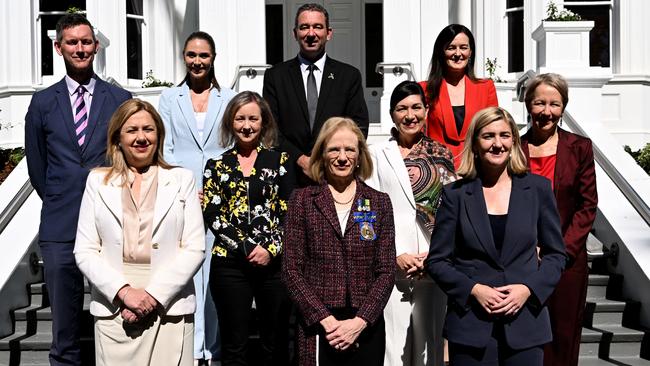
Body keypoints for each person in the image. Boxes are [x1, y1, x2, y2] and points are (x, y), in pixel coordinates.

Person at [24, 13, 131, 366]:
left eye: (86, 42)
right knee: (65, 331)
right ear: (58, 47)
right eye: (72, 42)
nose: (80, 48)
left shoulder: (120, 98)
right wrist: (60, 196)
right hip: (61, 224)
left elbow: (129, 157)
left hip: (112, 224)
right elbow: (37, 167)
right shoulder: (42, 103)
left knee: (118, 321)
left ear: (96, 46)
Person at [425, 107, 567, 365]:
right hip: (471, 326)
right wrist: (473, 290)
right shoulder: (455, 195)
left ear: (514, 141)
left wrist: (528, 289)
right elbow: (437, 261)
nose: (497, 144)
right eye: (488, 136)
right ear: (475, 144)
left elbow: (556, 255)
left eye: (504, 135)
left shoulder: (538, 190)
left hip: (526, 325)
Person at [74, 99, 205, 365]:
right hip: (115, 308)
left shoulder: (182, 180)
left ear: (159, 135)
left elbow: (195, 248)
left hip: (170, 305)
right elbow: (85, 250)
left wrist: (154, 295)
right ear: (117, 138)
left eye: (149, 129)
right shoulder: (97, 182)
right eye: (132, 130)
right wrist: (124, 292)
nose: (141, 137)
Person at [282, 117, 395, 366]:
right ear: (322, 154)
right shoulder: (301, 201)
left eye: (350, 150)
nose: (342, 157)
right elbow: (291, 270)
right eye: (334, 149)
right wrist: (327, 321)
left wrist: (359, 322)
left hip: (365, 325)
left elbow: (386, 271)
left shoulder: (379, 202)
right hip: (319, 325)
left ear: (360, 155)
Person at [158, 30, 236, 364]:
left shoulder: (230, 98)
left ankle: (213, 349)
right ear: (184, 58)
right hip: (181, 196)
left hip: (222, 198)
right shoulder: (169, 98)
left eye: (203, 55)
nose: (197, 61)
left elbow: (234, 146)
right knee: (187, 273)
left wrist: (217, 187)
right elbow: (166, 147)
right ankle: (189, 349)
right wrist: (188, 185)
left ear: (213, 58)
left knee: (216, 275)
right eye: (191, 55)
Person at [367, 81, 456, 366]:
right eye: (402, 109)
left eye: (416, 107)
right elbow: (366, 210)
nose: (410, 115)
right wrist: (393, 255)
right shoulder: (376, 154)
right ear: (392, 114)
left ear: (426, 110)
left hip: (433, 263)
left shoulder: (441, 153)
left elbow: (451, 212)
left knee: (430, 344)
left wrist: (436, 256)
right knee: (395, 348)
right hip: (393, 264)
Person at [202, 91, 294, 365]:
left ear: (263, 122)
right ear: (230, 122)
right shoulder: (216, 166)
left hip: (273, 265)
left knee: (274, 343)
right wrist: (246, 247)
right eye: (240, 118)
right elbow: (214, 215)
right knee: (234, 345)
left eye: (253, 118)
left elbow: (290, 212)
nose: (247, 125)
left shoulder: (280, 162)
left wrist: (271, 249)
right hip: (230, 266)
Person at [520, 73, 598, 366]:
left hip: (566, 262)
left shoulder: (580, 148)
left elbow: (587, 205)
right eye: (540, 103)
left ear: (563, 107)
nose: (547, 111)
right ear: (528, 105)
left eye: (555, 103)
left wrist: (559, 253)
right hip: (521, 261)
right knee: (525, 342)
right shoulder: (513, 146)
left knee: (563, 341)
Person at [263, 3, 369, 186]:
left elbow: (358, 126)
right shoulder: (276, 76)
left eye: (317, 27)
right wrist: (300, 159)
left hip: (334, 175)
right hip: (289, 175)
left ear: (328, 33)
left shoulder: (348, 76)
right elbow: (270, 127)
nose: (311, 34)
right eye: (304, 27)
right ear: (295, 33)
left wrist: (331, 157)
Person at [420, 24, 498, 168]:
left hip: (476, 169)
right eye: (451, 48)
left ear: (470, 52)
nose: (457, 53)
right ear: (441, 52)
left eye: (463, 47)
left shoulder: (485, 87)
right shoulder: (424, 89)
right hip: (438, 169)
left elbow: (493, 129)